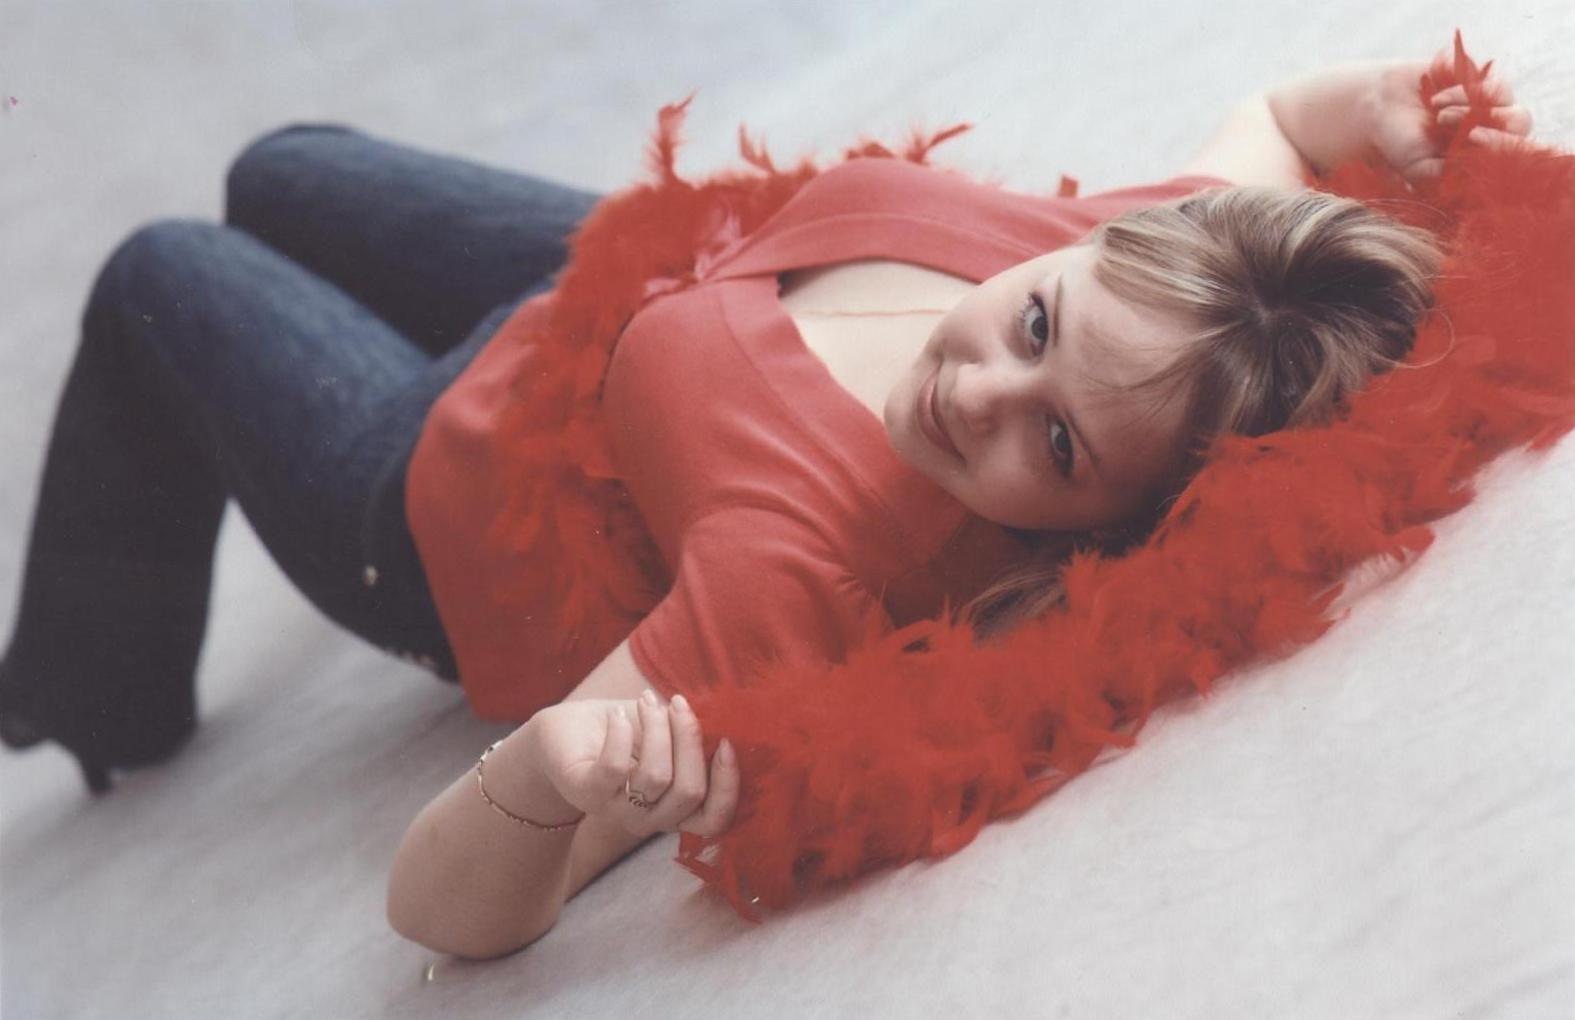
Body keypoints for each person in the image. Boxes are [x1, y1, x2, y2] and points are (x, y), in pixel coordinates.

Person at [0, 50, 1532, 960]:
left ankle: (95, 691)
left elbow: (434, 909)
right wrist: (1384, 103)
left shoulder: (799, 575)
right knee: (279, 166)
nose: (980, 392)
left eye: (1056, 448)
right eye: (1036, 321)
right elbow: (1279, 121)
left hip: (435, 486)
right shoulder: (1152, 282)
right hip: (623, 290)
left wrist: (548, 779)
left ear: (1096, 528)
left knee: (163, 272)